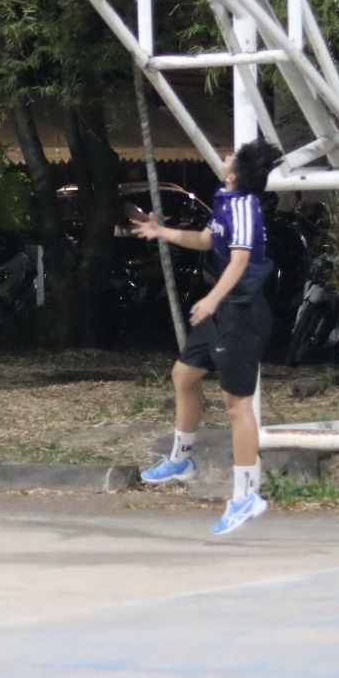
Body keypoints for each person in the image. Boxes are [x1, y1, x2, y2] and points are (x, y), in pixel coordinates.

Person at [132, 137, 285, 536]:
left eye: (231, 157)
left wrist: (213, 298)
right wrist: (161, 231)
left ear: (234, 175)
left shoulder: (245, 206)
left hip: (241, 313)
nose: (224, 157)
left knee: (238, 405)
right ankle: (181, 460)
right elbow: (206, 240)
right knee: (183, 376)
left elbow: (240, 260)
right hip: (222, 310)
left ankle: (246, 496)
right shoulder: (224, 199)